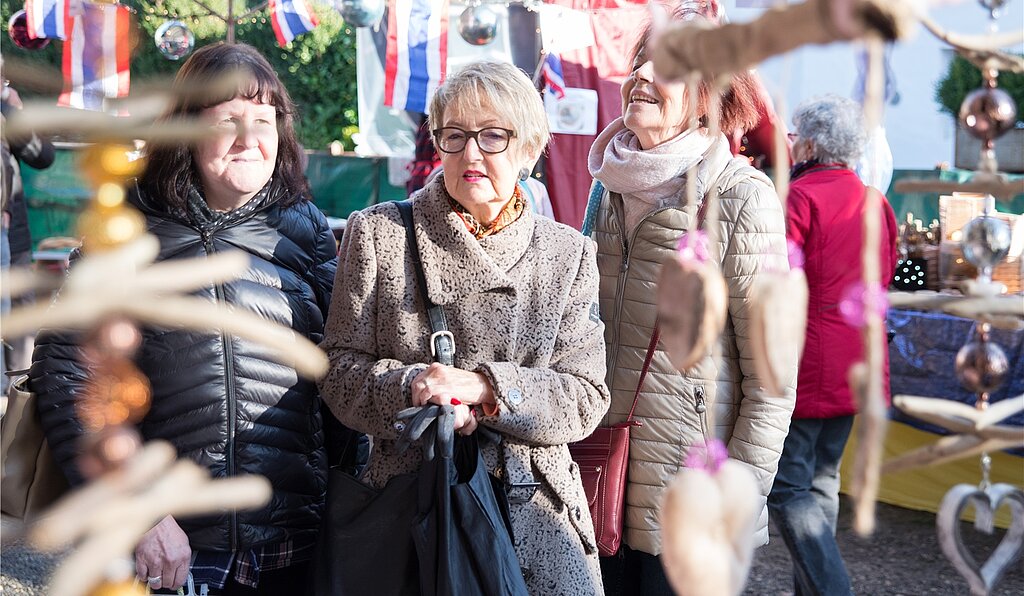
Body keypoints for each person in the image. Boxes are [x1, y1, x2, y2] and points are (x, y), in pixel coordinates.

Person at [30, 43, 337, 595]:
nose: (249, 140)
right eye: (228, 122)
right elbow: (67, 378)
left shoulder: (307, 230)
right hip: (172, 549)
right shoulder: (125, 229)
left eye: (263, 121)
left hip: (295, 540)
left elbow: (341, 373)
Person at [318, 60, 609, 594]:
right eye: (455, 136)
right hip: (413, 511)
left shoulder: (567, 254)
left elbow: (586, 396)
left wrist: (487, 389)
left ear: (530, 149)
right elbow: (338, 374)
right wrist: (412, 386)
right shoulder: (380, 234)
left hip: (536, 522)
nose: (471, 153)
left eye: (493, 136)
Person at [585, 3, 798, 594]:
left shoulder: (740, 198)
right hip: (595, 477)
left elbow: (773, 377)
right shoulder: (606, 190)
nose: (644, 76)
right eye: (641, 61)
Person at [768, 94, 898, 596]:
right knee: (821, 482)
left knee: (788, 487)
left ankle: (832, 589)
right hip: (857, 360)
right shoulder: (875, 201)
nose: (792, 140)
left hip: (810, 359)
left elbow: (777, 282)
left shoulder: (798, 199)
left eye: (797, 132)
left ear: (814, 143)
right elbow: (882, 278)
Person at [1, 74, 56, 392]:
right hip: (11, 237)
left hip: (14, 237)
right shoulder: (6, 113)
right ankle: (15, 405)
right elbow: (43, 155)